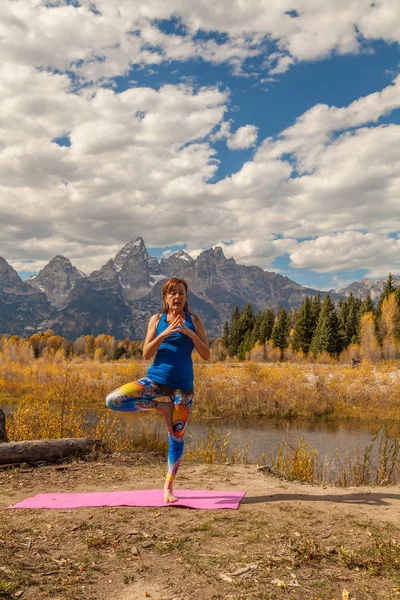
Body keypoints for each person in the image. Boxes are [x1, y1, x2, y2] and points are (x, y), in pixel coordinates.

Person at [106, 277, 210, 503]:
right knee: (113, 400)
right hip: (155, 381)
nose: (177, 297)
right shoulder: (157, 319)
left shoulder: (195, 320)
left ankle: (168, 487)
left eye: (181, 293)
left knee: (177, 435)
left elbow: (206, 354)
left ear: (186, 297)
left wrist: (190, 334)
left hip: (183, 387)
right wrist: (163, 335)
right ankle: (162, 407)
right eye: (172, 293)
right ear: (165, 297)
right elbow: (146, 354)